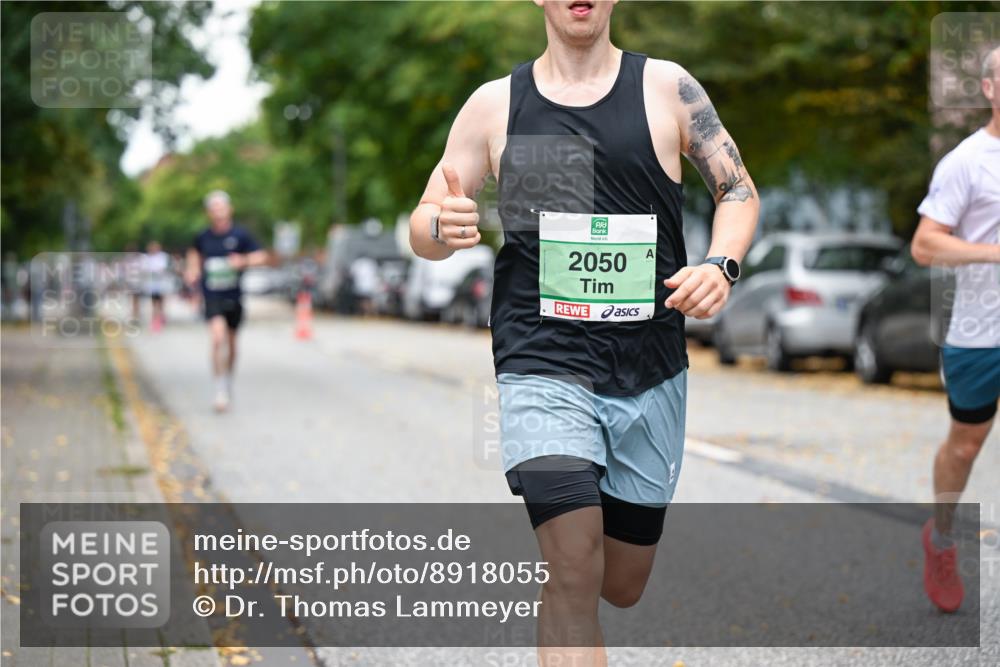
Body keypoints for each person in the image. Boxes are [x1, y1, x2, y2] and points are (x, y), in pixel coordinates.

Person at [409, 1, 759, 663]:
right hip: (542, 362)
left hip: (650, 368)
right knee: (572, 562)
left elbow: (738, 191)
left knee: (618, 583)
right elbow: (427, 216)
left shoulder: (668, 89)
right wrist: (439, 227)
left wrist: (722, 263)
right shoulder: (493, 105)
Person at [911, 45, 1000, 614]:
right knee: (966, 447)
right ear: (991, 88)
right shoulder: (968, 162)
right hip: (981, 332)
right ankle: (941, 536)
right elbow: (925, 244)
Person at [185, 191, 268, 413]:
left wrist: (243, 260)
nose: (218, 212)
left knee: (231, 345)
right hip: (212, 296)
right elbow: (194, 256)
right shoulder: (203, 237)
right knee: (216, 338)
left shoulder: (241, 235)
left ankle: (227, 379)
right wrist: (192, 271)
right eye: (214, 209)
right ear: (209, 213)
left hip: (234, 296)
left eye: (222, 207)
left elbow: (262, 256)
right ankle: (220, 388)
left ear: (229, 209)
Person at [141, 240, 173, 332]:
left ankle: (161, 316)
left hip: (161, 283)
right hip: (152, 284)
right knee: (154, 302)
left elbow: (163, 268)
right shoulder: (146, 258)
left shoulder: (163, 256)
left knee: (161, 301)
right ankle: (156, 319)